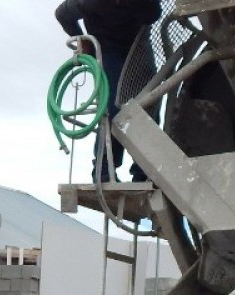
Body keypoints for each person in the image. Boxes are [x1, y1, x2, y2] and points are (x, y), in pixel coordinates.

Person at [54, 0, 163, 182]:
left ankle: (143, 172)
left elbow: (152, 15)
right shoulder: (88, 3)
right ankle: (103, 171)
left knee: (150, 104)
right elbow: (62, 14)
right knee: (113, 108)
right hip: (108, 50)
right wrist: (82, 39)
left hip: (138, 47)